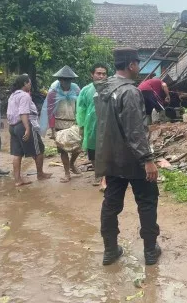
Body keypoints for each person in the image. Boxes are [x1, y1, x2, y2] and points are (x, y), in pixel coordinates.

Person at [94, 48, 161, 266]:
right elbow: (135, 130)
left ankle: (110, 250)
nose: (139, 67)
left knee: (111, 204)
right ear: (131, 65)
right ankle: (150, 251)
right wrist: (148, 160)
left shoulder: (102, 90)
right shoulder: (130, 92)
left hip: (111, 159)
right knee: (147, 202)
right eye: (137, 63)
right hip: (133, 160)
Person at [7, 74, 52, 186]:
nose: (30, 85)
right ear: (25, 84)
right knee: (39, 149)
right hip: (23, 125)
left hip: (12, 126)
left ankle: (17, 180)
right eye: (29, 83)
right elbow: (23, 113)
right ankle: (40, 174)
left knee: (17, 154)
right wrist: (27, 128)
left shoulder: (12, 95)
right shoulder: (24, 96)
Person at [40, 65, 81, 183]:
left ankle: (72, 164)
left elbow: (80, 106)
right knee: (62, 150)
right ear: (59, 80)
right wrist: (52, 129)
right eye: (63, 79)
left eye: (68, 79)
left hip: (73, 123)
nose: (65, 82)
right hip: (59, 123)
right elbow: (50, 111)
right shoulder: (53, 93)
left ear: (71, 80)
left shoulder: (76, 90)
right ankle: (67, 173)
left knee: (77, 148)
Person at [76, 63, 108, 189]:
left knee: (107, 150)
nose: (101, 76)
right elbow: (81, 109)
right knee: (92, 151)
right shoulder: (86, 90)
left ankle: (107, 176)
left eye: (104, 74)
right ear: (92, 74)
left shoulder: (110, 89)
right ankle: (98, 174)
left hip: (107, 125)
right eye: (98, 73)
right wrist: (82, 126)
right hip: (91, 125)